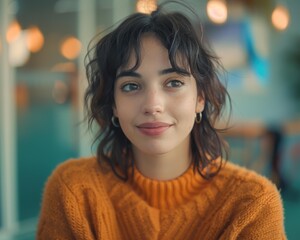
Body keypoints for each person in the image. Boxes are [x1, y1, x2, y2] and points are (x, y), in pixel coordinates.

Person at [37, 2, 286, 239]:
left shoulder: (252, 203)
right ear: (113, 103)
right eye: (131, 86)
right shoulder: (73, 191)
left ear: (200, 97)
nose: (153, 105)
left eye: (174, 83)